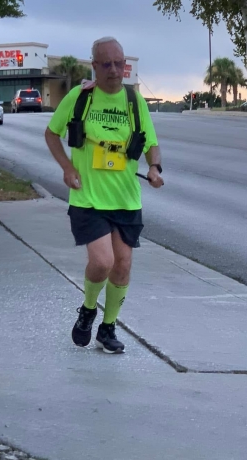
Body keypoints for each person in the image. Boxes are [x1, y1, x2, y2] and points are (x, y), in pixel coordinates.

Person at [45, 37, 164, 354]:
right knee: (102, 262)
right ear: (94, 66)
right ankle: (87, 309)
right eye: (106, 64)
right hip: (88, 197)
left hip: (126, 198)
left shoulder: (133, 101)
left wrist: (155, 168)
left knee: (122, 266)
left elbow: (151, 142)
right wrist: (67, 167)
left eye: (119, 63)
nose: (114, 70)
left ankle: (107, 328)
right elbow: (51, 133)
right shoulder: (79, 97)